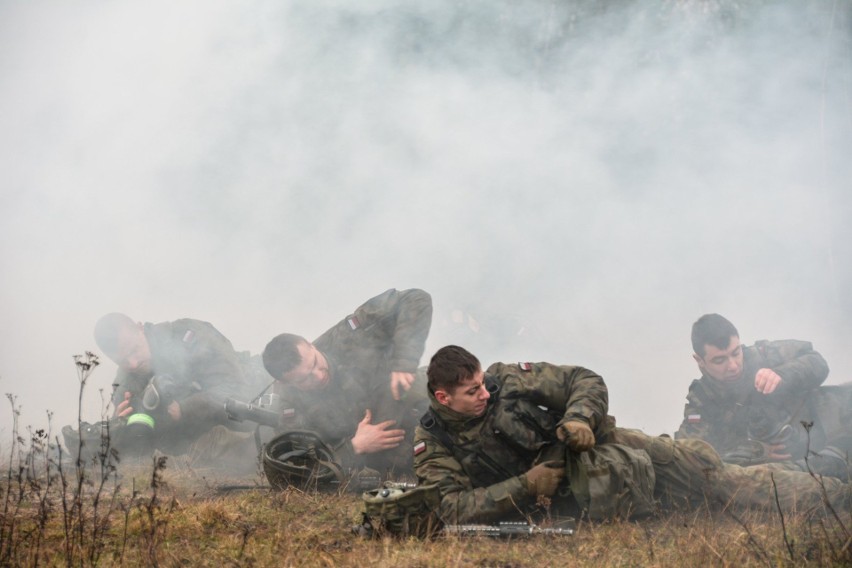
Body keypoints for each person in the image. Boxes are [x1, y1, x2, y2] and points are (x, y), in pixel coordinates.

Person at [413, 345, 852, 525]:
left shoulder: (506, 380)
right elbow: (450, 508)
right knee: (706, 513)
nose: (484, 395)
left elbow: (584, 379)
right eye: (471, 392)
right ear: (442, 397)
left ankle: (836, 494)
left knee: (721, 482)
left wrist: (582, 419)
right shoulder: (434, 443)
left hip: (615, 451)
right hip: (583, 502)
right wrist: (525, 487)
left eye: (482, 385)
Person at [262, 288, 433, 477]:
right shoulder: (290, 405)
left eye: (315, 364)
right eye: (304, 379)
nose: (318, 376)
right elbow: (300, 468)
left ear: (311, 345)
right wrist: (356, 446)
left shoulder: (349, 334)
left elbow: (415, 298)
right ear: (285, 382)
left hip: (407, 402)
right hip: (382, 454)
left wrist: (404, 362)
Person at [675, 313, 850, 478]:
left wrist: (782, 374)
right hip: (788, 471)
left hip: (833, 427)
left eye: (736, 353)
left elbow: (818, 362)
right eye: (720, 360)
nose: (733, 366)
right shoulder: (702, 402)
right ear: (699, 361)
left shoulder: (764, 355)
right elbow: (690, 455)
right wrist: (755, 450)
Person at [91, 313, 269, 460]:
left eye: (134, 350)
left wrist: (186, 408)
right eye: (122, 361)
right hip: (198, 438)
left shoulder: (189, 336)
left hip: (257, 400)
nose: (133, 363)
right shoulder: (126, 380)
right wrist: (121, 423)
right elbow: (141, 435)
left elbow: (237, 388)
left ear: (140, 328)